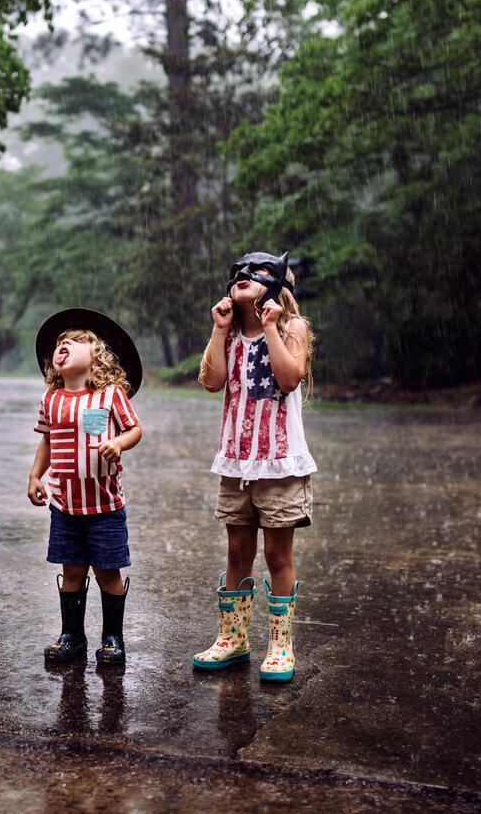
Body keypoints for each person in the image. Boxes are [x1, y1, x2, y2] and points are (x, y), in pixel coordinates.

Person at [192, 252, 316, 681]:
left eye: (258, 272)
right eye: (239, 273)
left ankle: (280, 644)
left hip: (280, 464)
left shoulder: (290, 328)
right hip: (236, 462)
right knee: (236, 552)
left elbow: (288, 378)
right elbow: (211, 382)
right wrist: (219, 329)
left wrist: (268, 328)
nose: (244, 277)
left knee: (276, 555)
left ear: (279, 286)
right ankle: (233, 638)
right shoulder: (226, 335)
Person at [28, 308, 143, 667]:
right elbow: (47, 442)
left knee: (108, 570)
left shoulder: (110, 396)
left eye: (74, 342)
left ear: (97, 358)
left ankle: (113, 638)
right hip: (64, 505)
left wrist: (120, 444)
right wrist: (35, 475)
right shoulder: (51, 399)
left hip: (104, 507)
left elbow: (134, 429)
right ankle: (72, 636)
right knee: (72, 569)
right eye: (60, 343)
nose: (63, 345)